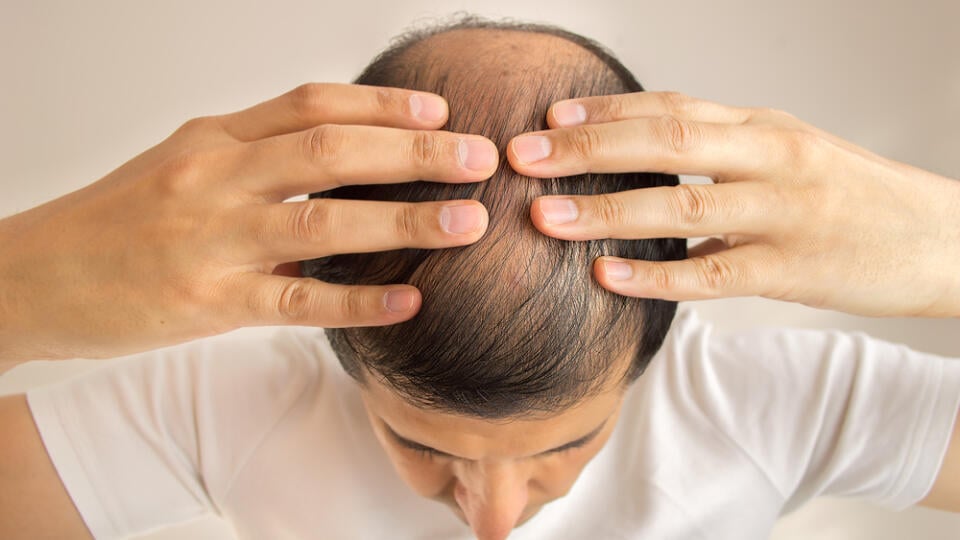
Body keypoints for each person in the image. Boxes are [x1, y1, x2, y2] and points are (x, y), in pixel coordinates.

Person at [0, 17, 957, 540]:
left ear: (654, 349)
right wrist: (16, 288)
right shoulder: (229, 405)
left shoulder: (774, 406)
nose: (493, 522)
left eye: (573, 439)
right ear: (340, 353)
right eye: (415, 442)